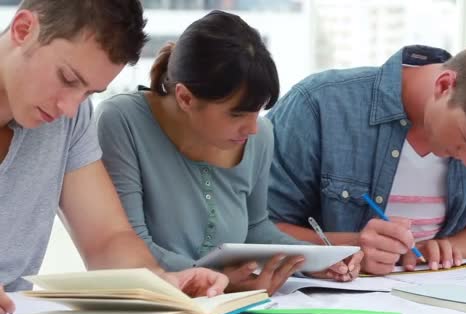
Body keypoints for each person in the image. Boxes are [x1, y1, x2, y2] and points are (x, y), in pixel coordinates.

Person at [96, 10, 362, 295]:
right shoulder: (122, 121)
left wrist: (312, 259)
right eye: (237, 114)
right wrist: (215, 278)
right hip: (152, 305)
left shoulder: (261, 138)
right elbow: (130, 242)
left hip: (229, 307)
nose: (253, 128)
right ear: (185, 97)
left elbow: (256, 227)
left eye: (257, 112)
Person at [0, 0, 229, 314]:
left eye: (89, 92)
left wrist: (158, 282)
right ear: (24, 29)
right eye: (67, 78)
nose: (69, 107)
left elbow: (107, 238)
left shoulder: (70, 117)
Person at [266, 32, 466, 275]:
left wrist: (451, 246)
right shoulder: (319, 105)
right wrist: (349, 248)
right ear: (444, 86)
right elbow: (258, 231)